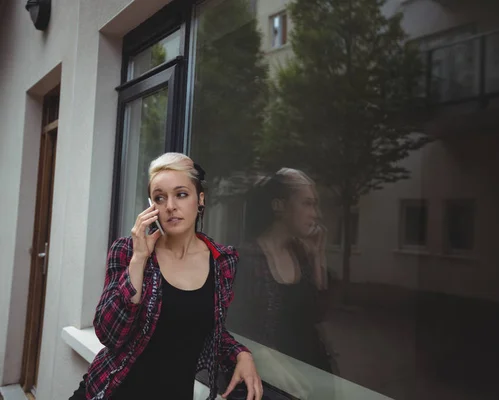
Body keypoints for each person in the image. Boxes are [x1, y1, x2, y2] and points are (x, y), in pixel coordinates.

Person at [69, 153, 262, 400]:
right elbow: (109, 334)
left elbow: (208, 327)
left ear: (200, 199)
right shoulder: (127, 250)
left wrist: (241, 354)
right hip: (110, 392)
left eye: (181, 194)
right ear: (152, 207)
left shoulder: (223, 260)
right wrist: (138, 261)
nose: (170, 205)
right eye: (160, 198)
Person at [228, 168, 333, 376]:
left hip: (310, 373)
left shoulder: (302, 254)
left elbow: (317, 314)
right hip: (271, 379)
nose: (316, 214)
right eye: (307, 203)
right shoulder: (247, 258)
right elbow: (236, 328)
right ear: (279, 206)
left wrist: (318, 254)